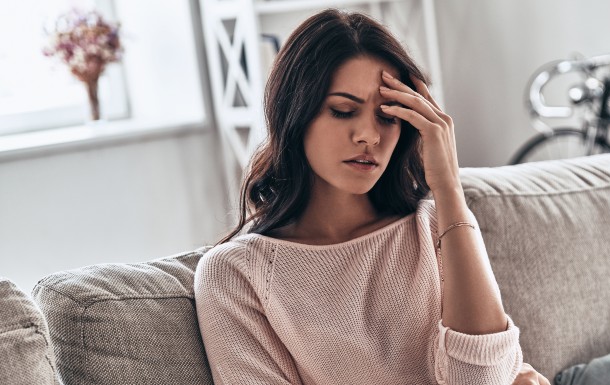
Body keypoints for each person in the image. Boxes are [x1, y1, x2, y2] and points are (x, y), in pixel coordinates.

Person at [194, 8, 549, 385]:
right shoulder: (235, 275)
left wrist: (449, 186)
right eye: (343, 111)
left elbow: (483, 380)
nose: (369, 134)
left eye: (388, 115)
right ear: (294, 115)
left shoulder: (435, 228)